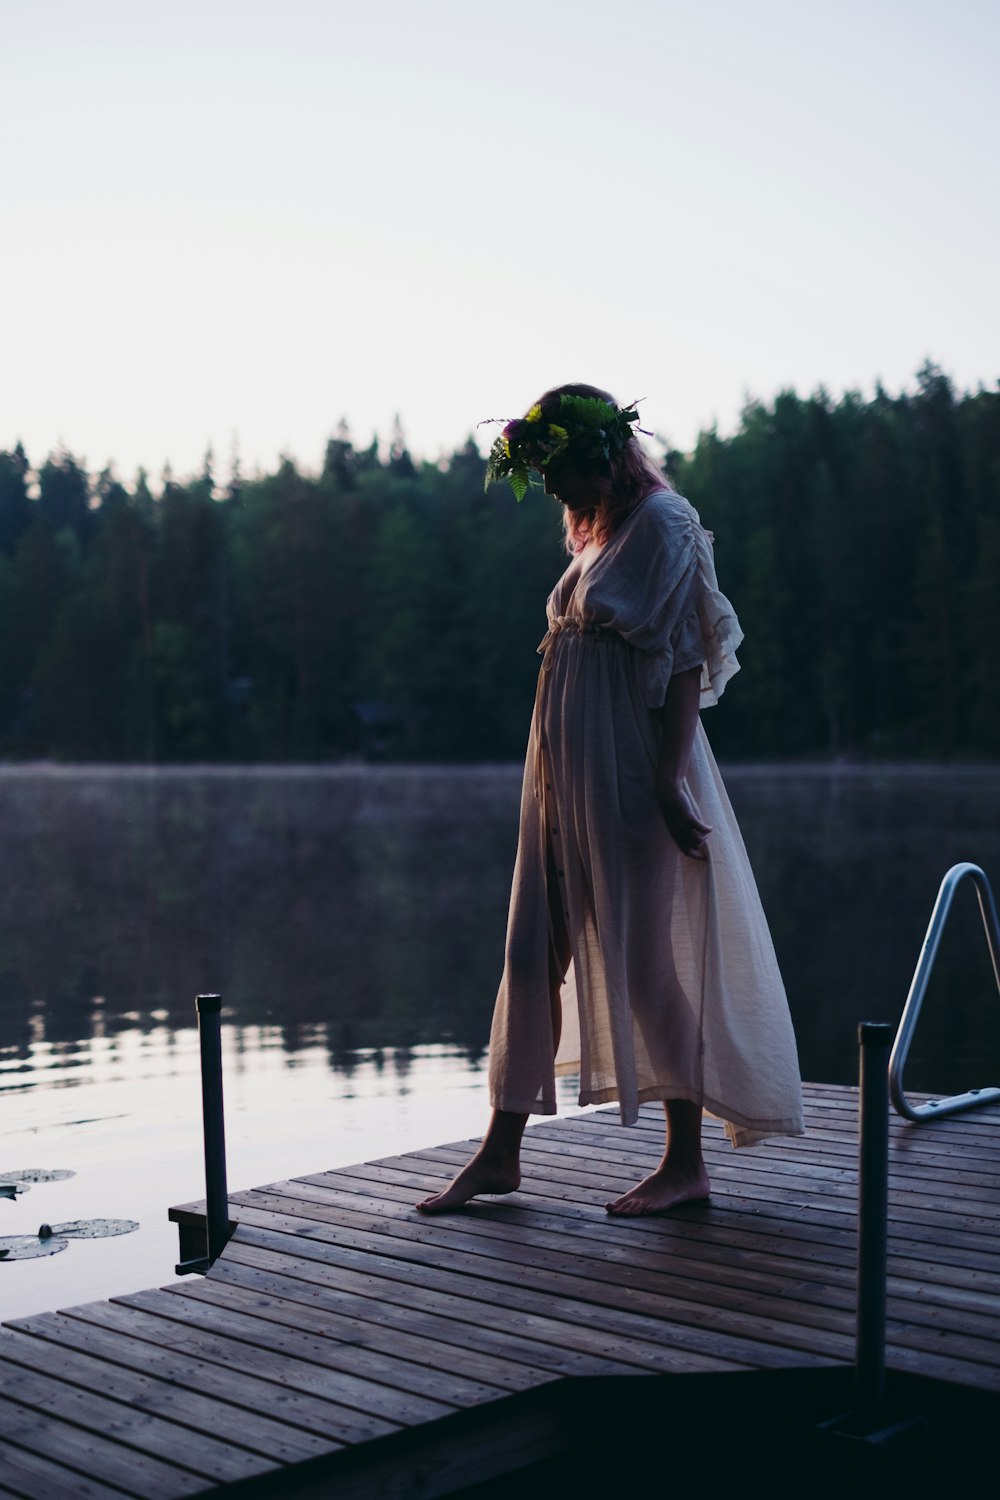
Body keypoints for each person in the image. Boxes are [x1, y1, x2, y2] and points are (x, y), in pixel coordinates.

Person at [418, 384, 803, 1217]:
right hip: (562, 768)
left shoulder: (664, 521)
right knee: (530, 949)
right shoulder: (602, 531)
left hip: (628, 763)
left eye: (556, 472)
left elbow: (687, 662)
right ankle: (501, 1152)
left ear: (599, 454)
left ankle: (686, 1161)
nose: (552, 493)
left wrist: (665, 782)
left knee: (644, 962)